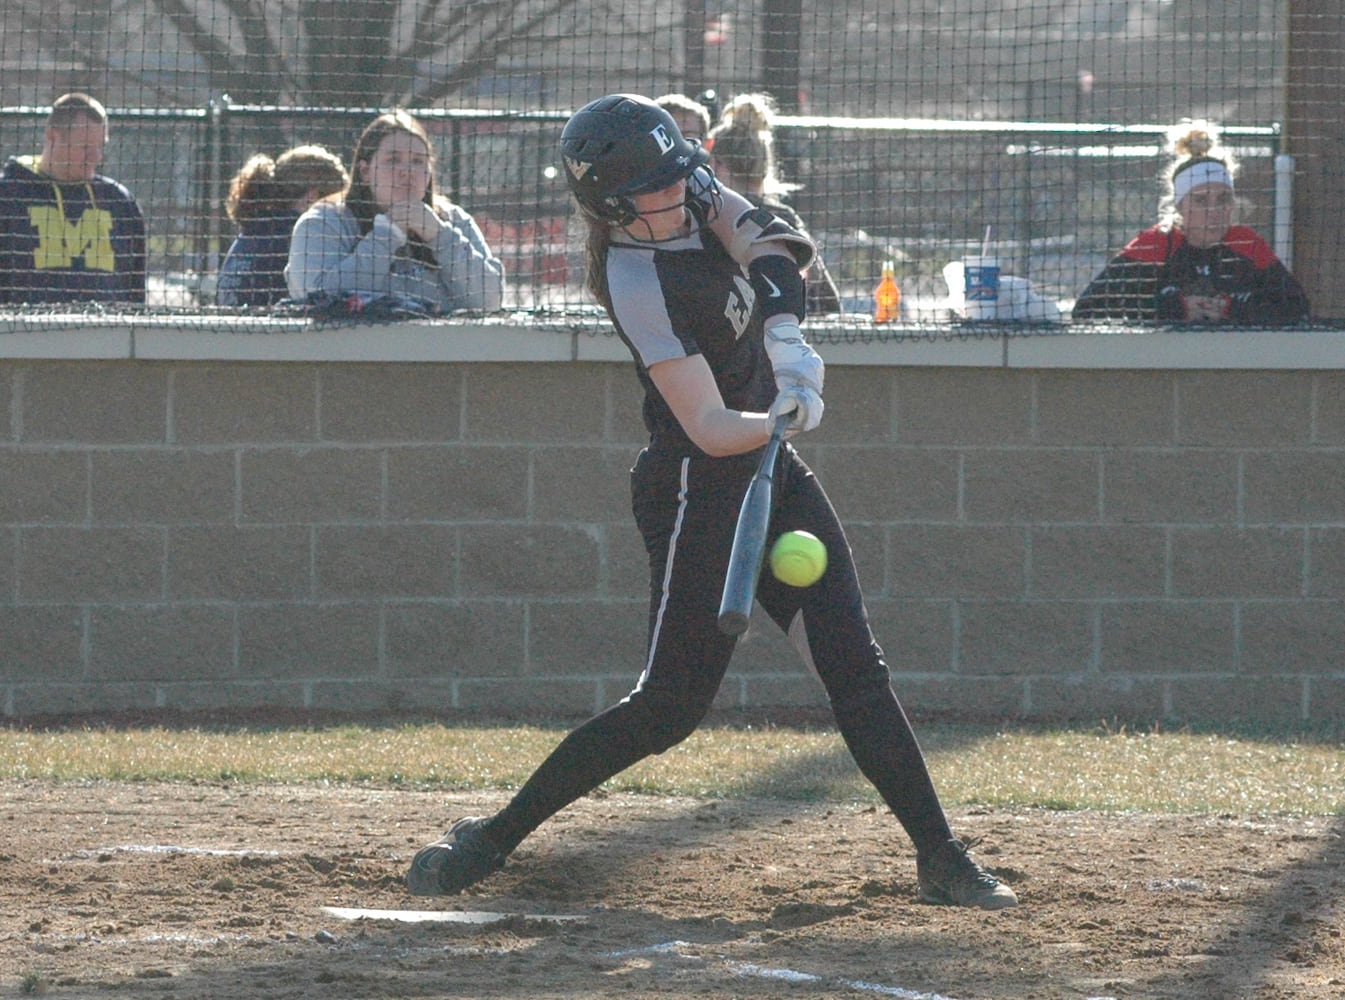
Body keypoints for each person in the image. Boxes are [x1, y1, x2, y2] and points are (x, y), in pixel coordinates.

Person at [405, 94, 1018, 912]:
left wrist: (786, 338)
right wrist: (780, 414)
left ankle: (940, 858)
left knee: (856, 673)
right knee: (667, 710)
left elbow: (769, 245)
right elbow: (706, 425)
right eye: (655, 184)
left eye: (678, 172)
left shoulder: (689, 191)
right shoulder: (634, 280)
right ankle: (491, 837)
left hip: (772, 470)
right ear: (612, 204)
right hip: (697, 485)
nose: (681, 188)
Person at [1073, 119, 1308, 324]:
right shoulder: (1155, 244)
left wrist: (1233, 310)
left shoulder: (1247, 244)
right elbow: (1088, 308)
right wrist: (1175, 309)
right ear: (1180, 207)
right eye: (1201, 201)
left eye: (1223, 199)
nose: (1214, 211)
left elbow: (1297, 308)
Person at [285, 110, 504, 314]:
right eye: (393, 160)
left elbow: (490, 300)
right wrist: (386, 236)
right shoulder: (323, 222)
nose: (407, 171)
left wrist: (439, 235)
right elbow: (316, 296)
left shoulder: (454, 220)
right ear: (365, 171)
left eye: (418, 161)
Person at [0, 92, 147, 305]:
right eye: (85, 147)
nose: (96, 157)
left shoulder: (119, 203)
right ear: (52, 136)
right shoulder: (3, 197)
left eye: (101, 146)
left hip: (106, 336)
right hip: (25, 336)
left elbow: (135, 292)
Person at [704, 93, 841, 315]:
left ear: (717, 166)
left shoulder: (710, 217)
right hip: (783, 333)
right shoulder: (784, 218)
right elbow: (829, 304)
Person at [215, 145, 348, 307]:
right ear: (312, 197)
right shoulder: (297, 236)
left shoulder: (251, 231)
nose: (338, 213)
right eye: (336, 204)